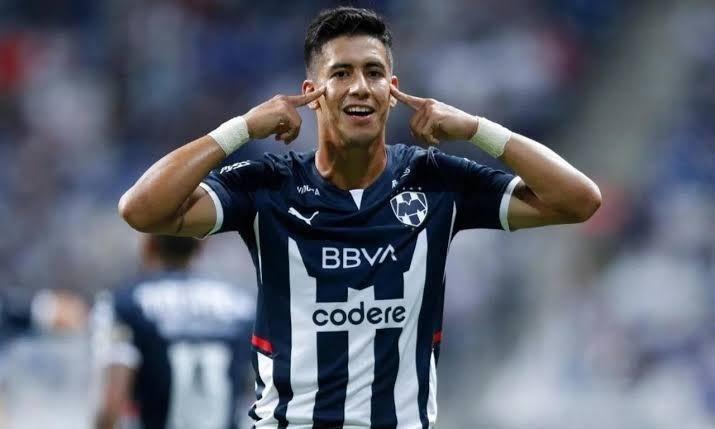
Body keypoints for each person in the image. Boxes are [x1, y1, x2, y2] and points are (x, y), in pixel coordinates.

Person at [117, 6, 601, 428]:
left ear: (393, 90)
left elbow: (578, 199)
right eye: (342, 73)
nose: (360, 87)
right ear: (313, 92)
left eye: (373, 72)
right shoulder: (268, 185)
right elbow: (142, 209)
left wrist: (477, 129)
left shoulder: (435, 180)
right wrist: (241, 128)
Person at [93, 235, 254, 429]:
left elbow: (111, 406)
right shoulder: (243, 306)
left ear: (148, 244)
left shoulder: (125, 304)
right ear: (202, 244)